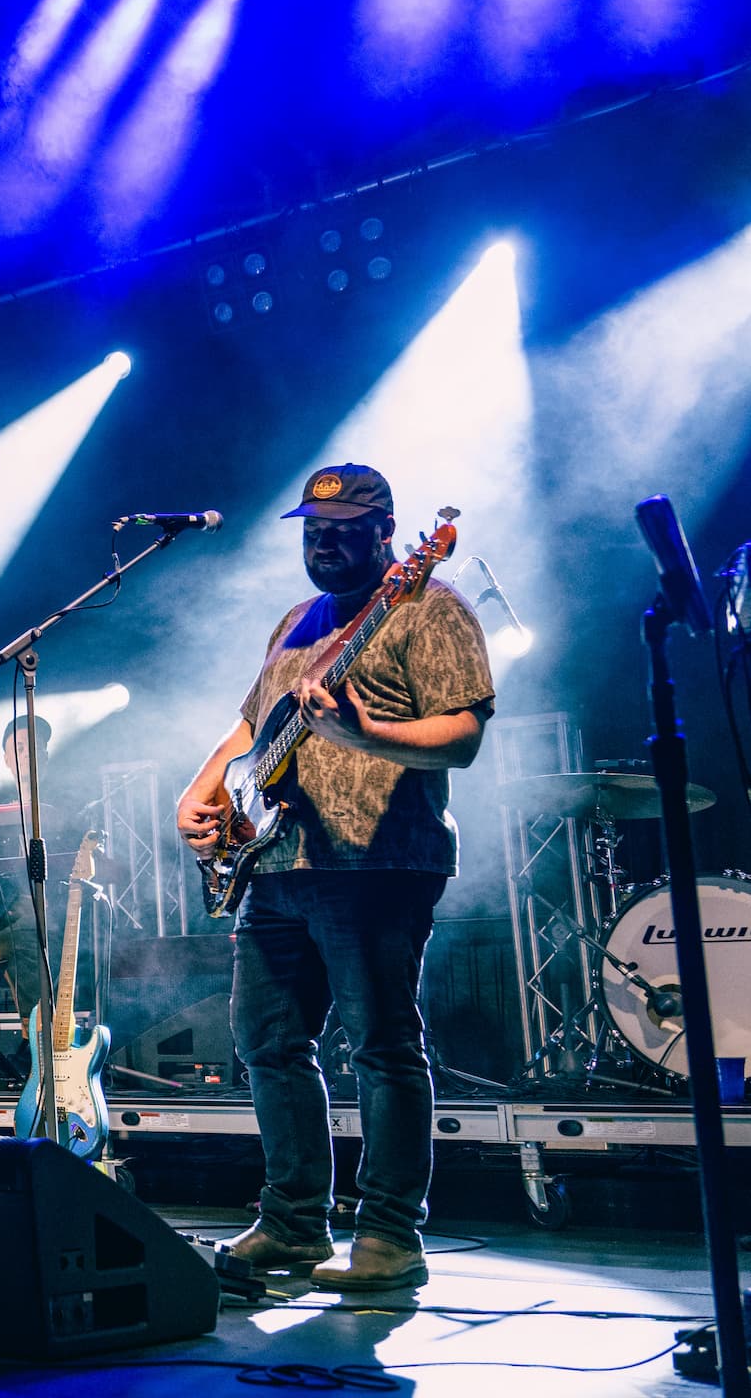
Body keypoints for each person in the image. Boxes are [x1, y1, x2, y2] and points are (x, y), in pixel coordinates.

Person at [176, 465, 493, 1291]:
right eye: (312, 529)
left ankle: (389, 1235)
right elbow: (254, 724)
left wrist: (363, 734)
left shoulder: (429, 604)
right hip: (274, 864)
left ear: (386, 531)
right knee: (268, 1047)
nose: (323, 541)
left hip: (376, 864)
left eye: (343, 527)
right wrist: (201, 789)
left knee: (381, 1049)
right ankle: (290, 1226)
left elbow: (462, 734)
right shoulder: (295, 620)